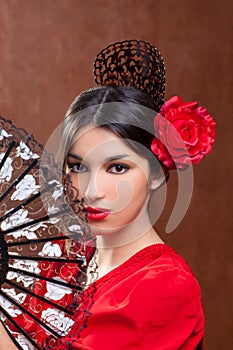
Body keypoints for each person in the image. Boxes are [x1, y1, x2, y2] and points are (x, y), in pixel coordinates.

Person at [0, 39, 216, 349]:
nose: (91, 192)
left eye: (117, 168)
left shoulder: (167, 286)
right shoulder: (60, 261)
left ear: (157, 172)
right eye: (77, 167)